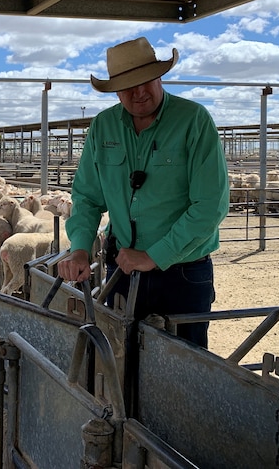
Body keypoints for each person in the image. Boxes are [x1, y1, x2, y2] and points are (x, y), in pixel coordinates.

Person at [57, 37, 229, 348]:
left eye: (145, 81)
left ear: (159, 75)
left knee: (184, 367)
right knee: (122, 362)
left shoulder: (193, 121)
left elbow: (210, 204)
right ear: (115, 90)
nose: (139, 92)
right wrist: (80, 247)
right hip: (123, 268)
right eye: (127, 86)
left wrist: (154, 255)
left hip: (183, 273)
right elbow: (87, 196)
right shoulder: (103, 126)